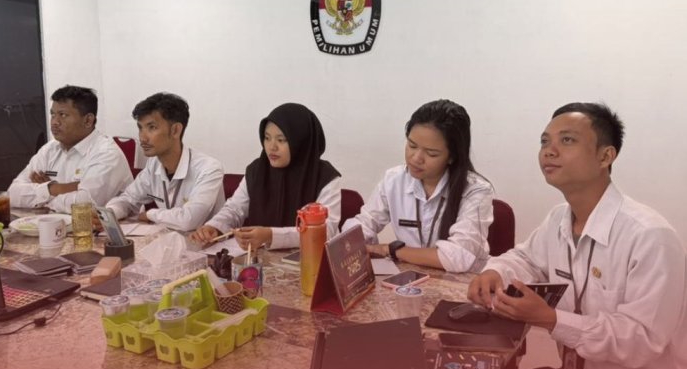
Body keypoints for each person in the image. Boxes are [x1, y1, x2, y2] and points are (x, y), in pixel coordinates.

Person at [469, 103, 687, 369]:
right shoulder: (559, 218)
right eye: (545, 141)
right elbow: (526, 259)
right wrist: (495, 272)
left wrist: (551, 319)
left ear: (605, 156)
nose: (549, 151)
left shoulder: (650, 236)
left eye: (567, 140)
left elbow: (641, 342)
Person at [342, 99, 493, 273]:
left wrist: (391, 250)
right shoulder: (394, 180)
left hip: (464, 282)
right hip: (411, 279)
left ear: (452, 157)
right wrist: (352, 241)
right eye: (412, 145)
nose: (416, 158)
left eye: (431, 153)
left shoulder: (476, 191)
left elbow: (457, 257)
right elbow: (364, 223)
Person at [190, 103, 341, 250]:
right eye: (267, 138)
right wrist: (214, 227)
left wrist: (271, 236)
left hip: (310, 260)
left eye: (281, 140)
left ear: (301, 142)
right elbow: (235, 209)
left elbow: (325, 231)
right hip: (261, 259)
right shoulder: (257, 170)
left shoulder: (325, 177)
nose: (271, 146)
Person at [105, 93, 224, 231]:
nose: (142, 138)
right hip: (169, 239)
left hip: (204, 242)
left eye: (152, 127)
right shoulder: (153, 164)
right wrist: (109, 213)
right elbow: (128, 199)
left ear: (175, 130)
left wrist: (150, 214)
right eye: (140, 128)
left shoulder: (209, 168)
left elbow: (189, 220)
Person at [8, 86, 132, 212]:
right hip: (57, 221)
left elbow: (85, 204)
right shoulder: (49, 149)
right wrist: (53, 188)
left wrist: (41, 198)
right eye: (53, 114)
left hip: (101, 224)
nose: (54, 122)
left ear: (88, 120)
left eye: (63, 115)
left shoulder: (107, 153)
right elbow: (12, 194)